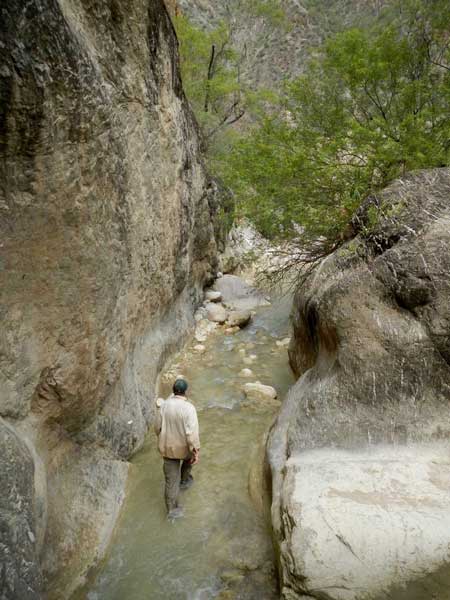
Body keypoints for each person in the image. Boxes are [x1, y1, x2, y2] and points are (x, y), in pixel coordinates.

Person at [154, 378, 200, 519]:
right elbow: (192, 434)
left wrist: (162, 439)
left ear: (173, 390)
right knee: (188, 462)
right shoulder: (189, 408)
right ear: (185, 392)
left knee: (170, 482)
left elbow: (157, 428)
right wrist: (196, 451)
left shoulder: (164, 406)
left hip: (168, 448)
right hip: (184, 448)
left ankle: (171, 510)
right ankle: (184, 481)